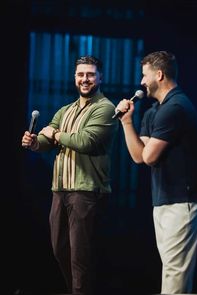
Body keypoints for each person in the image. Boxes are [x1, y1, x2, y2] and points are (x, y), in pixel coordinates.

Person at [22, 55, 119, 295]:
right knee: (59, 250)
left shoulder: (106, 108)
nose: (84, 79)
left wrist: (55, 135)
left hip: (86, 191)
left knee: (80, 258)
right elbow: (47, 138)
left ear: (100, 77)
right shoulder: (66, 110)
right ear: (74, 77)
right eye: (80, 75)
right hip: (60, 189)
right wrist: (35, 143)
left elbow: (86, 141)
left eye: (90, 74)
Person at [115, 51, 197, 294]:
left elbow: (150, 156)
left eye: (144, 75)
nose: (141, 82)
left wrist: (138, 139)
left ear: (159, 74)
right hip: (164, 198)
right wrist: (126, 123)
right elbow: (138, 157)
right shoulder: (154, 111)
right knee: (171, 267)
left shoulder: (175, 107)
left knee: (175, 271)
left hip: (183, 200)